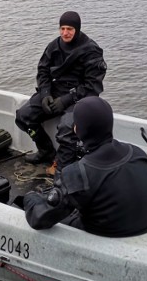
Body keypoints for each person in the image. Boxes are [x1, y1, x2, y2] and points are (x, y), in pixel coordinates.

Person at [23, 96, 147, 237]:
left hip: (106, 239)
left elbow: (38, 218)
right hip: (145, 231)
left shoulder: (78, 174)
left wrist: (31, 197)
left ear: (77, 129)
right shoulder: (137, 153)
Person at [15, 11, 106, 173]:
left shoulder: (91, 50)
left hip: (80, 98)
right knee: (24, 116)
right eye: (62, 28)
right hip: (54, 92)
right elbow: (43, 70)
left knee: (66, 129)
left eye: (69, 29)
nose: (65, 33)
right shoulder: (54, 46)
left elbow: (92, 86)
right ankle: (46, 150)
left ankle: (63, 169)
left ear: (77, 29)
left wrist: (66, 100)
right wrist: (45, 94)